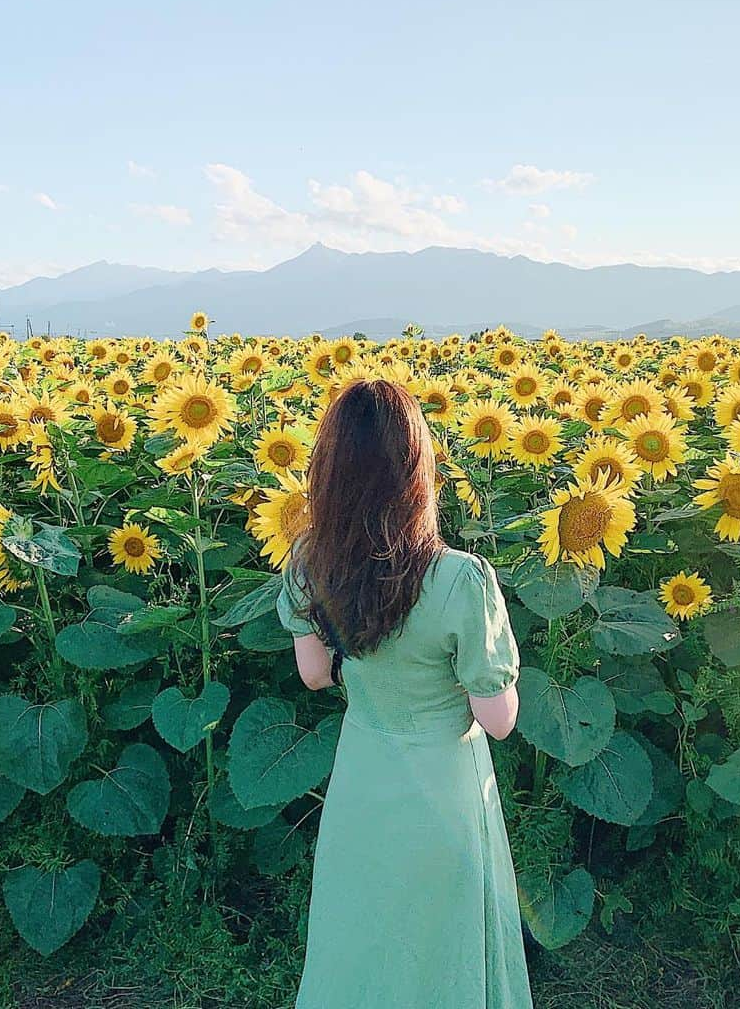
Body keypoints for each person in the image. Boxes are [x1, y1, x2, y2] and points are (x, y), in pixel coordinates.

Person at [276, 376, 535, 1008]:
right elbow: (497, 719)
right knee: (443, 945)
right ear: (417, 470)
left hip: (363, 774)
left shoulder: (311, 560)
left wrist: (365, 671)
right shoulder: (458, 579)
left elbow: (314, 673)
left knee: (363, 937)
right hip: (443, 785)